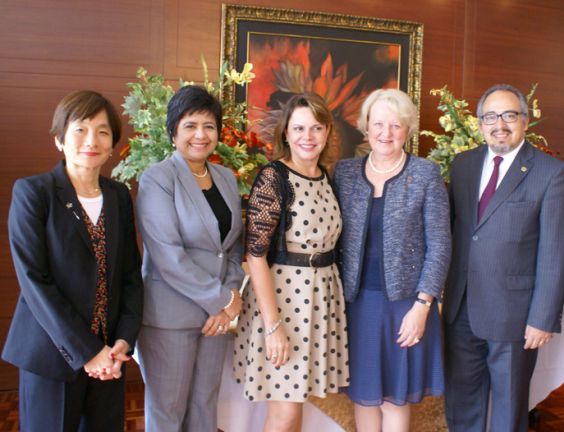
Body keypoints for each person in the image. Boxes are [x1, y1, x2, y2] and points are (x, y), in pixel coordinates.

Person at [2, 90, 143, 431]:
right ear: (59, 139)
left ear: (112, 145)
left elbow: (130, 275)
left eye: (103, 131)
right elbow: (35, 283)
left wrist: (123, 342)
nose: (91, 140)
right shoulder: (34, 192)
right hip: (51, 355)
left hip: (110, 357)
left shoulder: (118, 196)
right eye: (80, 129)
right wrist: (88, 352)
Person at [443, 83, 564, 431]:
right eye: (490, 116)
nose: (499, 124)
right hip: (461, 310)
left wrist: (543, 316)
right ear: (479, 123)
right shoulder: (463, 165)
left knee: (508, 409)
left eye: (509, 115)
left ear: (525, 120)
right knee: (462, 404)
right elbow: (458, 232)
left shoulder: (551, 173)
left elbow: (556, 251)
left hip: (515, 316)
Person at [332, 88, 450, 431]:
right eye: (378, 124)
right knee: (363, 396)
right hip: (356, 305)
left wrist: (423, 304)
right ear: (365, 127)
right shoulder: (345, 173)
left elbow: (440, 245)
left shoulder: (426, 174)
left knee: (393, 400)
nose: (386, 133)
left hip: (406, 306)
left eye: (395, 125)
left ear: (408, 130)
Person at [233, 93, 349, 432]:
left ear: (327, 132)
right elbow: (255, 256)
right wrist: (273, 326)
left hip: (319, 299)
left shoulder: (326, 177)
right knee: (283, 415)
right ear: (285, 133)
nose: (307, 137)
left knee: (295, 408)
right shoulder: (274, 177)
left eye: (315, 128)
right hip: (284, 302)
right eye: (299, 128)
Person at [135, 85, 245, 432]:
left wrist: (229, 300)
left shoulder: (226, 177)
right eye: (190, 125)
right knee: (168, 411)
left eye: (209, 126)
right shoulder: (158, 177)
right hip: (170, 315)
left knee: (204, 406)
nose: (201, 135)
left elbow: (232, 245)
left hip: (217, 318)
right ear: (173, 132)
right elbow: (167, 255)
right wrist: (222, 300)